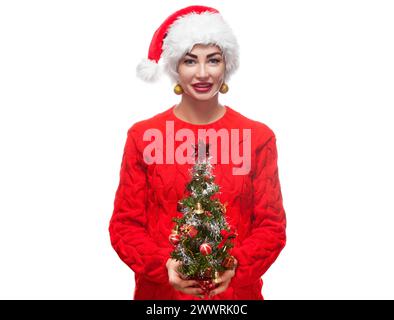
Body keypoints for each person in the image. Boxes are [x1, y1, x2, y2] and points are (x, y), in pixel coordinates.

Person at [108, 5, 287, 300]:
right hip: (161, 299)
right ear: (175, 67)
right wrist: (162, 266)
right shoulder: (143, 136)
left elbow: (272, 226)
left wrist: (236, 266)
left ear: (226, 65)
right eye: (190, 61)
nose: (202, 73)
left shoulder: (257, 137)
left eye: (213, 60)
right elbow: (125, 224)